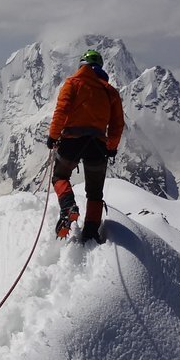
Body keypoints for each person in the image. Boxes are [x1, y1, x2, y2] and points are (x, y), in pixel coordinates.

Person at [46, 49, 125, 243]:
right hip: (97, 144)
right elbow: (117, 123)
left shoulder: (72, 83)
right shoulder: (110, 91)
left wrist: (53, 136)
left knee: (60, 176)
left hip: (71, 140)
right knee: (95, 192)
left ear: (82, 65)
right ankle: (90, 232)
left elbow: (61, 111)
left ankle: (67, 206)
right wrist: (112, 147)